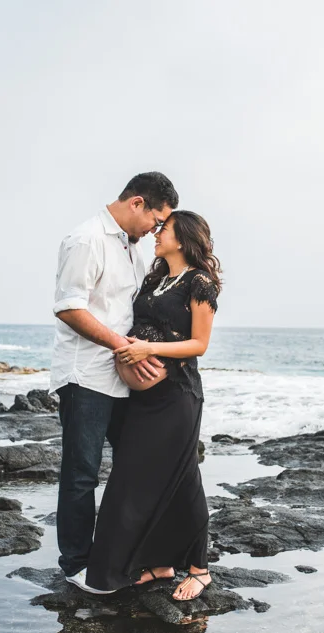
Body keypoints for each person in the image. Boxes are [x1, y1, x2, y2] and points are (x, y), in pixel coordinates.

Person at [50, 172, 179, 594]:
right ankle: (76, 565)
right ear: (137, 203)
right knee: (81, 474)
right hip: (86, 375)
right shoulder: (86, 239)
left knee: (133, 468)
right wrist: (124, 346)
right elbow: (69, 308)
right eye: (156, 220)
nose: (156, 230)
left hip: (125, 380)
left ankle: (125, 555)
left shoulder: (133, 248)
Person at [85, 210, 221, 601]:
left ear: (184, 237)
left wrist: (147, 348)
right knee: (136, 478)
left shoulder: (200, 283)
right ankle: (159, 563)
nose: (157, 234)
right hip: (143, 398)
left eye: (165, 229)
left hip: (177, 396)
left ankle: (199, 569)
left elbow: (199, 345)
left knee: (183, 479)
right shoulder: (156, 278)